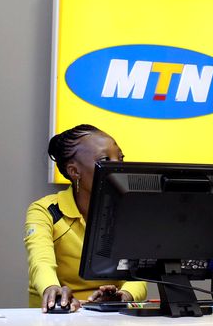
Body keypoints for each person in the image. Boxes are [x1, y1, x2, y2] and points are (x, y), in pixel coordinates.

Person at [24, 124, 147, 312]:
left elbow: (138, 276)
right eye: (106, 159)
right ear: (75, 171)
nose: (119, 165)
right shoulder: (45, 210)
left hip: (110, 318)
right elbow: (40, 262)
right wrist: (52, 289)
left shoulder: (130, 213)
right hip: (58, 317)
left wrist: (123, 296)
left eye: (120, 158)